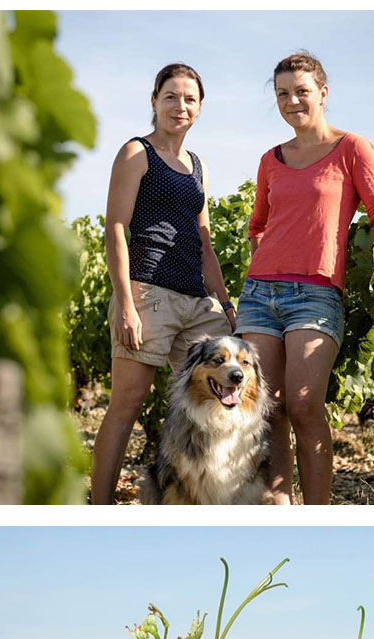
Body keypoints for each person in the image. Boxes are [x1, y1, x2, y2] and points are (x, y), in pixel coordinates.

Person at [238, 51, 374, 505]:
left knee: (302, 402)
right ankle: (279, 510)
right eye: (282, 94)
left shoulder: (352, 148)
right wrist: (265, 268)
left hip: (314, 296)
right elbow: (258, 225)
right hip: (259, 294)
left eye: (301, 91)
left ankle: (318, 512)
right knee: (266, 409)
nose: (291, 100)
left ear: (323, 93)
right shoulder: (270, 160)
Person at [90, 63, 235, 504]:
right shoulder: (137, 152)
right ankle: (99, 505)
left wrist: (225, 304)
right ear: (154, 101)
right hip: (148, 292)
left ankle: (204, 498)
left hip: (196, 300)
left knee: (223, 399)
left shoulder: (197, 167)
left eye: (189, 98)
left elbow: (204, 240)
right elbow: (117, 226)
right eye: (171, 96)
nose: (180, 105)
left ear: (200, 108)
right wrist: (127, 305)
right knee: (126, 405)